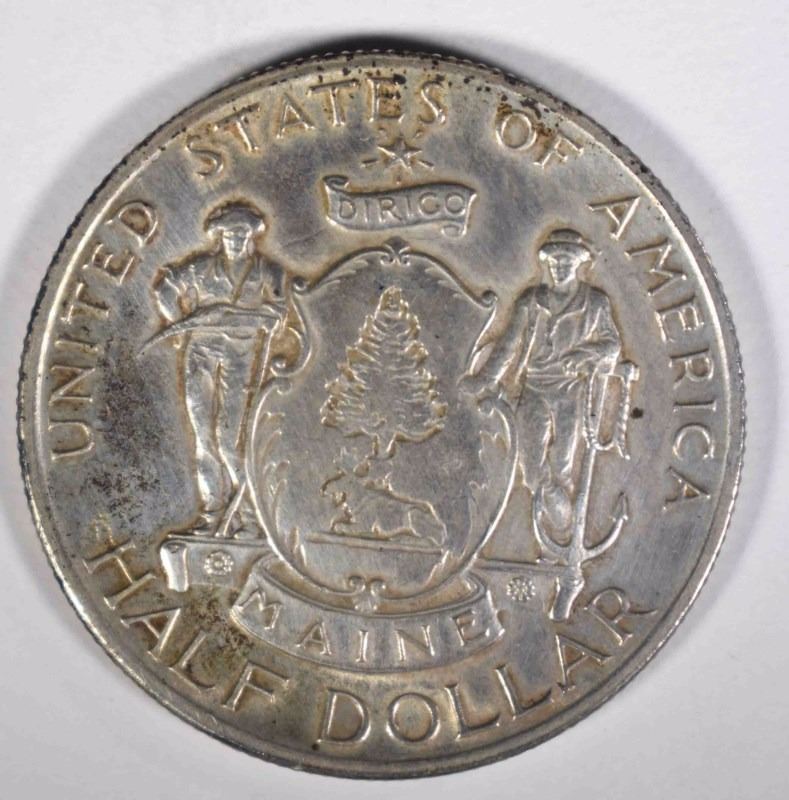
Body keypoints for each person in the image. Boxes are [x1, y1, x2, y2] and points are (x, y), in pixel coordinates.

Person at [154, 202, 301, 535]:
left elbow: (278, 312)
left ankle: (249, 516)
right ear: (219, 236)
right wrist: (179, 326)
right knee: (204, 437)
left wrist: (261, 318)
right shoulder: (201, 267)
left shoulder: (269, 271)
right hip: (200, 355)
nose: (235, 239)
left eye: (241, 233)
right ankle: (212, 512)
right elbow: (165, 289)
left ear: (250, 235)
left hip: (241, 357)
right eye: (229, 233)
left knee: (230, 439)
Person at [465, 228, 622, 531]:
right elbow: (509, 344)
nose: (560, 267)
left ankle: (560, 528)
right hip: (534, 388)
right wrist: (484, 380)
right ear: (548, 264)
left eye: (567, 261)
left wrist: (586, 352)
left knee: (563, 463)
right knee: (531, 466)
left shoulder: (594, 302)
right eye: (555, 261)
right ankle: (553, 505)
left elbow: (612, 345)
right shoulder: (531, 300)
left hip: (571, 391)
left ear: (577, 264)